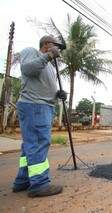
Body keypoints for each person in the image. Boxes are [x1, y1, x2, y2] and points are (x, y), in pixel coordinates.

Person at [12, 35, 67, 197]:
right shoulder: (32, 52)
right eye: (57, 47)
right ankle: (39, 184)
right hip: (35, 105)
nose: (58, 51)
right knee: (38, 143)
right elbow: (27, 69)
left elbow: (42, 86)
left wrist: (58, 94)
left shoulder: (48, 65)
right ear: (47, 44)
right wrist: (49, 55)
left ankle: (23, 181)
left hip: (43, 106)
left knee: (30, 145)